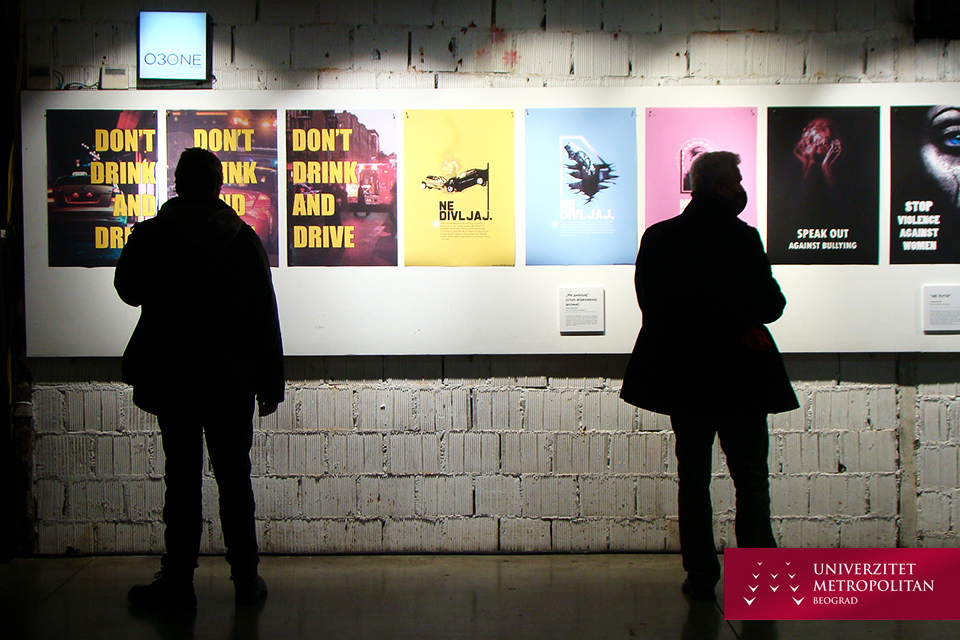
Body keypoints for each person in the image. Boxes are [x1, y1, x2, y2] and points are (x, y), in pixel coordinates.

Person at [620, 151, 798, 602]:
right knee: (751, 480)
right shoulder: (742, 238)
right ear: (721, 187)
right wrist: (741, 325)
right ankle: (760, 580)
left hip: (686, 377)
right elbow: (771, 306)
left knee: (694, 480)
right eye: (736, 180)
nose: (741, 187)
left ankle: (700, 575)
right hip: (741, 378)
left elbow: (654, 307)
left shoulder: (660, 237)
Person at [115, 147, 285, 609]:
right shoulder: (243, 239)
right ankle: (246, 580)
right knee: (235, 479)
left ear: (177, 184)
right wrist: (270, 384)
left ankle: (178, 582)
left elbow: (128, 290)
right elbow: (264, 317)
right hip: (231, 380)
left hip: (175, 378)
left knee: (182, 480)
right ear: (217, 186)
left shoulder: (154, 236)